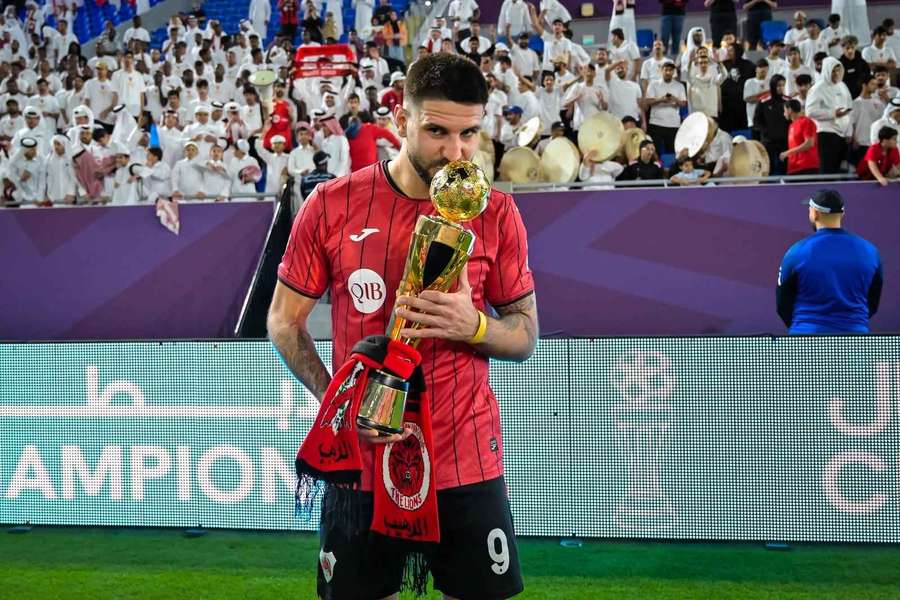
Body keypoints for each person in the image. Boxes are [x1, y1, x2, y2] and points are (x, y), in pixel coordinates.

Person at [268, 52, 534, 600]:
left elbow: (525, 335)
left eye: (469, 135)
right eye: (437, 131)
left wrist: (474, 325)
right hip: (361, 465)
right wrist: (341, 403)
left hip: (466, 461)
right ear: (399, 120)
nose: (455, 152)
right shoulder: (330, 205)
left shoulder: (499, 213)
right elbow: (282, 322)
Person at [777, 189, 882, 334]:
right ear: (842, 213)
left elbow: (783, 303)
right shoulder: (870, 252)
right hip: (856, 340)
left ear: (814, 214)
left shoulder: (797, 252)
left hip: (805, 340)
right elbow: (873, 300)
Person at [805, 57, 852, 174]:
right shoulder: (817, 88)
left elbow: (850, 108)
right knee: (827, 169)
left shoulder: (843, 86)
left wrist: (849, 132)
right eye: (833, 71)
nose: (836, 73)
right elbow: (810, 111)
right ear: (826, 70)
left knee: (840, 170)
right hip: (826, 134)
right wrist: (833, 113)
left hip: (842, 134)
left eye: (838, 70)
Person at [644, 60, 685, 154]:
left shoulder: (679, 86)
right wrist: (661, 99)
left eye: (670, 70)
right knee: (654, 152)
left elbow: (683, 103)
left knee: (672, 152)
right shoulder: (653, 84)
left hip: (673, 124)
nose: (668, 72)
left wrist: (674, 99)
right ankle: (658, 167)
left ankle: (670, 168)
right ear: (661, 71)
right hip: (656, 123)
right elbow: (648, 101)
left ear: (673, 72)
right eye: (666, 70)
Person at [753, 74, 789, 174]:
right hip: (768, 141)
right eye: (778, 85)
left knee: (785, 168)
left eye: (783, 85)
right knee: (768, 168)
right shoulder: (764, 101)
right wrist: (766, 131)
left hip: (784, 141)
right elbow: (756, 120)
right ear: (773, 86)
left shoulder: (788, 101)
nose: (781, 88)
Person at [780, 98, 819, 174]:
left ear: (790, 110)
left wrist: (788, 153)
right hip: (794, 168)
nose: (783, 114)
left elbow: (809, 143)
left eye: (784, 110)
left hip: (807, 167)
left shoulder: (806, 122)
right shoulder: (791, 126)